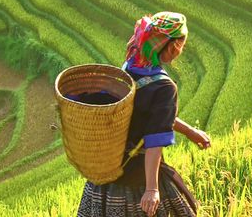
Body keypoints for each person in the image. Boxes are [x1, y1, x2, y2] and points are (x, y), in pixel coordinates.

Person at [77, 12, 211, 217]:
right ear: (173, 46)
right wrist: (152, 189)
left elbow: (151, 113)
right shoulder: (165, 87)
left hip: (109, 164)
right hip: (138, 172)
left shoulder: (130, 65)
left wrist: (190, 131)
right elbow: (154, 140)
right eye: (181, 44)